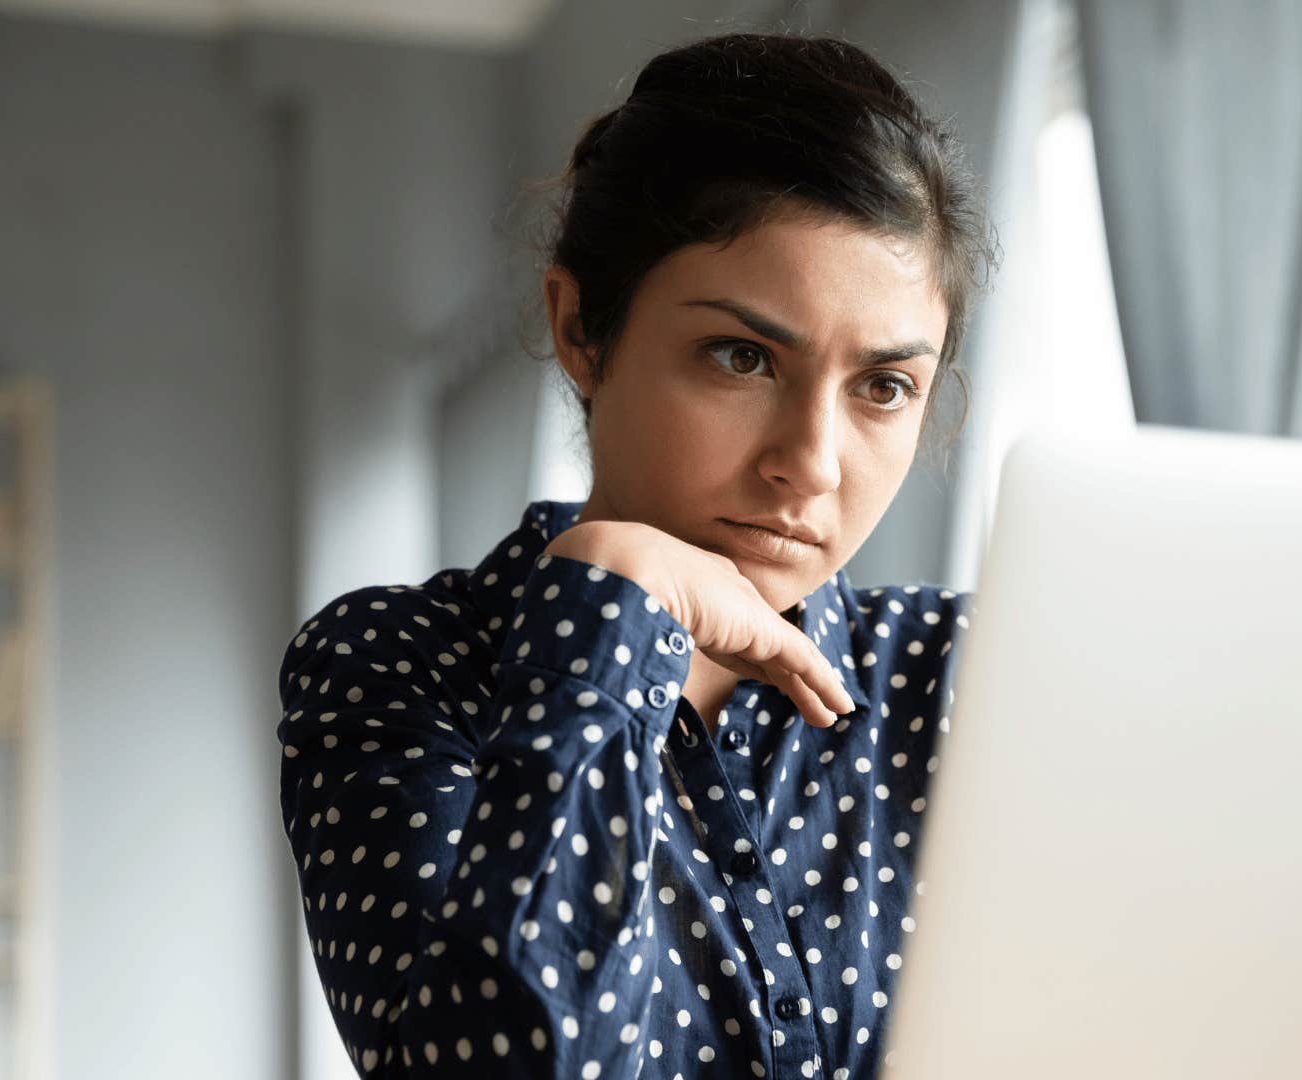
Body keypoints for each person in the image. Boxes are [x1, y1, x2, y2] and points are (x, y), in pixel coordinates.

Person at [276, 30, 996, 1079]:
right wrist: (611, 610)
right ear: (582, 329)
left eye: (882, 388)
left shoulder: (968, 679)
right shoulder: (396, 666)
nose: (812, 465)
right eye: (742, 357)